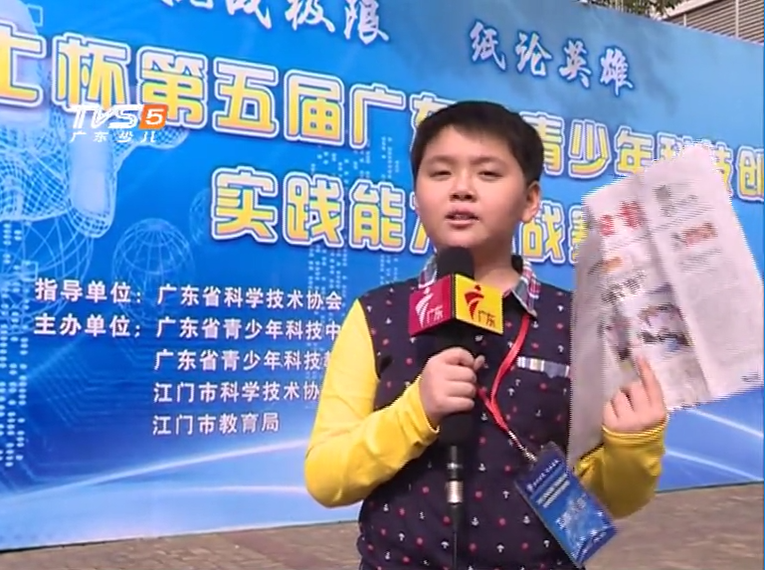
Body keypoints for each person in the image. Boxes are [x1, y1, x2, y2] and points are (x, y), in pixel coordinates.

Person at [304, 101, 668, 569]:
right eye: (440, 173)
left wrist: (632, 447)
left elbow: (611, 497)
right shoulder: (377, 315)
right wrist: (416, 412)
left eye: (487, 173)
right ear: (416, 197)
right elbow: (326, 476)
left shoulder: (579, 321)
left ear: (530, 201)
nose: (461, 188)